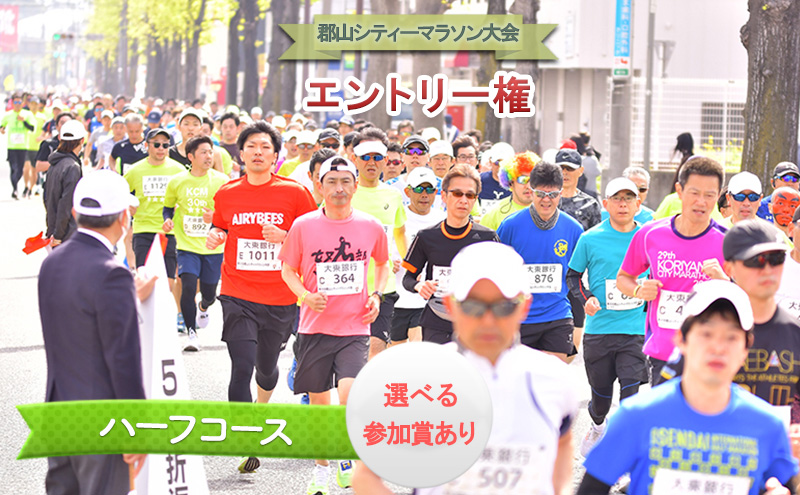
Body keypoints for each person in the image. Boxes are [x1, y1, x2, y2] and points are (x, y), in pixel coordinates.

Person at [352, 241, 578, 495]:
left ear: (524, 306)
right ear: (451, 306)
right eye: (473, 306)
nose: (488, 320)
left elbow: (563, 443)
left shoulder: (555, 378)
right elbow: (365, 476)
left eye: (504, 306)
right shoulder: (416, 378)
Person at [578, 280, 798, 495]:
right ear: (681, 339)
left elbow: (788, 485)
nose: (718, 347)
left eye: (731, 337)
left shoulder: (768, 426)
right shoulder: (636, 416)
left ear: (746, 348)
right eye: (706, 334)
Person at [206, 120, 316, 474]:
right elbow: (220, 224)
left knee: (266, 370)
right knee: (241, 365)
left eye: (265, 147)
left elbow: (312, 238)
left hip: (280, 296)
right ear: (240, 153)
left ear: (275, 155)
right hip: (237, 292)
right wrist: (215, 234)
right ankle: (245, 438)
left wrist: (285, 237)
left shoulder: (295, 193)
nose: (257, 152)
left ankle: (263, 399)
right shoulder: (227, 192)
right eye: (251, 146)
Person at [280, 156, 389, 494]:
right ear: (319, 185)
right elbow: (287, 270)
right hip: (314, 327)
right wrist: (304, 296)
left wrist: (376, 295)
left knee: (349, 394)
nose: (339, 188)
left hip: (354, 328)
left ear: (355, 186)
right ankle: (322, 469)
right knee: (319, 404)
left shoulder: (371, 225)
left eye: (345, 182)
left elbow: (383, 264)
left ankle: (345, 456)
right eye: (332, 182)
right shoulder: (303, 226)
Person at [38, 170, 148, 495]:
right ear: (124, 218)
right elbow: (123, 359)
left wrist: (128, 296)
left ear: (75, 213)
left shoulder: (53, 262)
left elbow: (78, 319)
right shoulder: (112, 275)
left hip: (59, 407)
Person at [617, 156, 729, 382]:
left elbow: (746, 300)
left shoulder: (728, 242)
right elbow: (623, 278)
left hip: (709, 354)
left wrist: (725, 283)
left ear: (718, 196)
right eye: (694, 193)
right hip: (663, 353)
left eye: (709, 195)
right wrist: (639, 290)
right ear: (679, 191)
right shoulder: (650, 234)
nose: (701, 202)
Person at [567, 177, 648, 457]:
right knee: (601, 400)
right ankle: (598, 425)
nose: (623, 204)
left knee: (630, 397)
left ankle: (624, 453)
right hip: (600, 331)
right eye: (617, 198)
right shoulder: (590, 238)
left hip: (635, 331)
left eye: (629, 198)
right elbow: (573, 276)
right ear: (606, 204)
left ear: (638, 204)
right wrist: (587, 298)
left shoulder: (648, 238)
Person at [402, 164, 499, 344]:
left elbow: (502, 280)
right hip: (437, 321)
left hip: (475, 322)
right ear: (444, 196)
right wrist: (419, 286)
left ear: (475, 199)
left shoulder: (488, 237)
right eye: (457, 193)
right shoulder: (427, 236)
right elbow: (408, 279)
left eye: (470, 195)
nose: (463, 200)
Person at [497, 162, 584, 362]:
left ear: (561, 193)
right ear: (531, 191)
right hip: (519, 318)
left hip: (557, 315)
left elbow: (577, 276)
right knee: (520, 375)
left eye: (552, 194)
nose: (546, 200)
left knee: (554, 373)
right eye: (540, 194)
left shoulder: (574, 229)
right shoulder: (510, 226)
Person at [162, 135, 230, 351]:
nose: (209, 156)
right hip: (186, 245)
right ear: (190, 157)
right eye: (203, 152)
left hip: (213, 246)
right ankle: (192, 333)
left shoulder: (222, 181)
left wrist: (215, 217)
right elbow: (167, 207)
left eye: (210, 152)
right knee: (188, 285)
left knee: (210, 293)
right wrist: (167, 220)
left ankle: (203, 306)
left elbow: (230, 213)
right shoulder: (177, 181)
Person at [349, 129, 407, 358]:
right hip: (347, 286)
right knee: (351, 353)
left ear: (385, 160)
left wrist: (408, 263)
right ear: (354, 159)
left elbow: (399, 232)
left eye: (377, 157)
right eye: (365, 156)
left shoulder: (393, 195)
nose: (371, 162)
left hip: (383, 287)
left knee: (376, 347)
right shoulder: (343, 192)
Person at [391, 167, 446, 345]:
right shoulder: (397, 217)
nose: (424, 194)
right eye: (419, 189)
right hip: (397, 298)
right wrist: (390, 262)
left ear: (436, 192)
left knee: (418, 348)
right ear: (408, 192)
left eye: (429, 189)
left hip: (427, 301)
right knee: (394, 352)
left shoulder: (443, 219)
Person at [44, 120, 87, 246]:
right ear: (82, 140)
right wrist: (58, 234)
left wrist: (53, 230)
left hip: (54, 227)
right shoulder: (72, 167)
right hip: (67, 234)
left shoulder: (55, 163)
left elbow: (46, 198)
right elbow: (66, 203)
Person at [479, 151, 538, 231]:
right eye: (523, 180)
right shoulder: (495, 212)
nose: (528, 186)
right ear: (510, 183)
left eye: (533, 180)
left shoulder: (546, 210)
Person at [1, 93, 36, 199]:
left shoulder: (27, 114)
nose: (17, 104)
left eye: (19, 102)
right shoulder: (8, 114)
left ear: (22, 103)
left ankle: (16, 185)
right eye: (15, 102)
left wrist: (23, 121)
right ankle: (15, 189)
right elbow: (2, 125)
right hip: (11, 146)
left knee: (20, 170)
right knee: (13, 168)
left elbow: (32, 128)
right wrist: (2, 129)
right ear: (12, 103)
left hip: (23, 146)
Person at [478, 142, 514, 216]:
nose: (500, 167)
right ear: (490, 161)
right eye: (497, 163)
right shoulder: (479, 180)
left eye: (504, 163)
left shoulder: (517, 184)